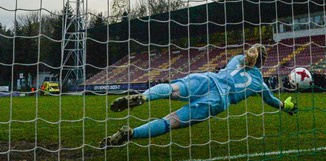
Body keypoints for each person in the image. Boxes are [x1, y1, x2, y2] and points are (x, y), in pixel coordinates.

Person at [100, 44, 298, 148]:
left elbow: (245, 60)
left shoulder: (237, 59)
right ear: (263, 62)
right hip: (218, 100)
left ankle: (143, 97)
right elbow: (271, 101)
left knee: (171, 89)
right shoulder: (259, 84)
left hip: (208, 79)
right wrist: (285, 105)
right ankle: (131, 134)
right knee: (172, 121)